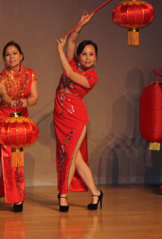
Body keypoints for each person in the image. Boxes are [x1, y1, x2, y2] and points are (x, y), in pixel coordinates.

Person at [0, 41, 38, 213]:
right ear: (4, 59)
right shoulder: (1, 77)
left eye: (14, 53)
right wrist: (13, 102)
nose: (11, 56)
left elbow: (35, 97)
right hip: (5, 120)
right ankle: (17, 197)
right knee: (11, 156)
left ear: (21, 56)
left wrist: (25, 102)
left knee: (5, 157)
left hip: (21, 120)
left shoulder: (30, 73)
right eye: (7, 54)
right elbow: (3, 95)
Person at [54, 12, 103, 212]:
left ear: (96, 58)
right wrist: (81, 25)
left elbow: (69, 74)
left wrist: (59, 51)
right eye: (84, 54)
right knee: (76, 158)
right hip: (60, 116)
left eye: (92, 54)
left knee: (69, 155)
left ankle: (63, 195)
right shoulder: (73, 61)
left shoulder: (92, 77)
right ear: (79, 56)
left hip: (76, 118)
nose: (88, 57)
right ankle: (96, 193)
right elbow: (72, 40)